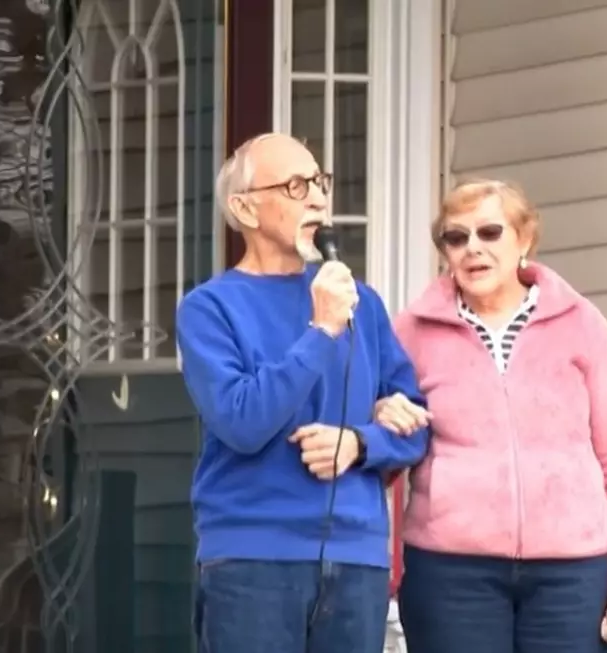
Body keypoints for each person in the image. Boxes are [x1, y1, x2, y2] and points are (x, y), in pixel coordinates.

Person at [374, 179, 607, 653]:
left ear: (524, 240)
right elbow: (386, 450)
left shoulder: (582, 325)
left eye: (489, 233)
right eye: (456, 238)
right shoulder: (411, 331)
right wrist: (382, 410)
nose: (472, 250)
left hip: (573, 575)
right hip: (450, 574)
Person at [176, 132, 430, 653]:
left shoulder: (364, 303)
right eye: (296, 185)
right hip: (253, 559)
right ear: (245, 208)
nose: (317, 197)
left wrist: (360, 444)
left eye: (320, 182)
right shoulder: (210, 308)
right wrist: (320, 332)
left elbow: (416, 427)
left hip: (357, 558)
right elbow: (242, 423)